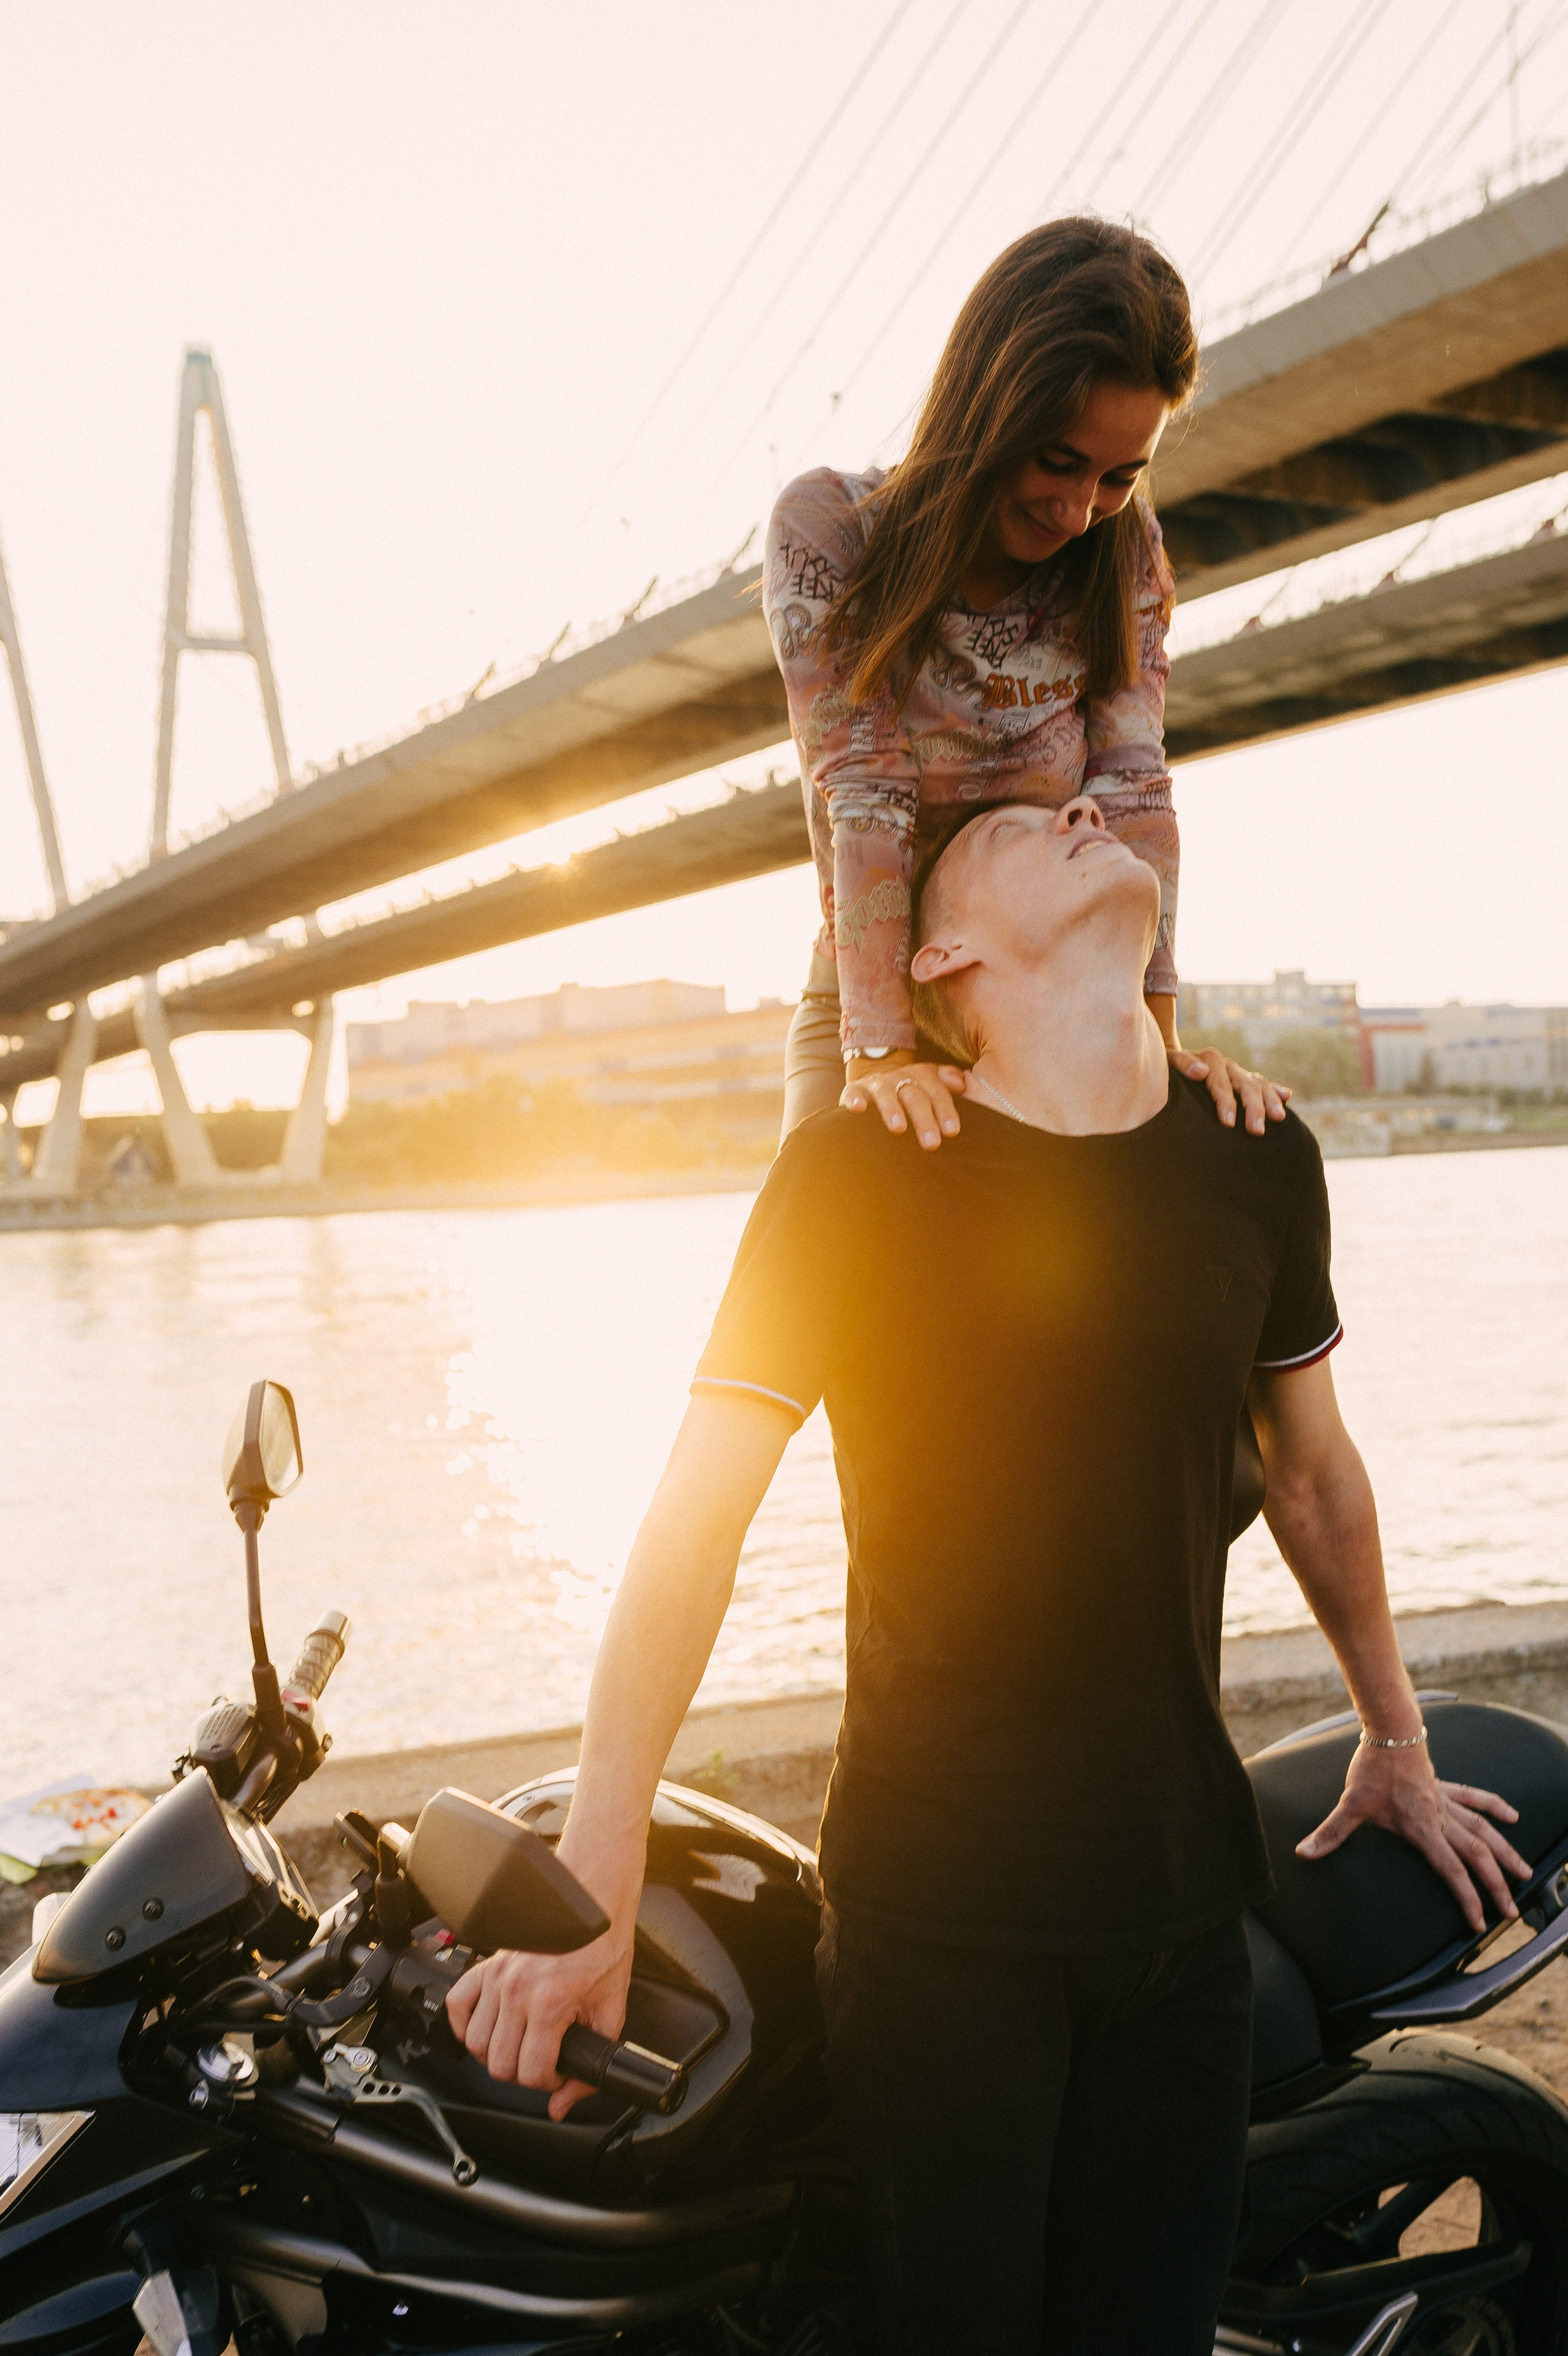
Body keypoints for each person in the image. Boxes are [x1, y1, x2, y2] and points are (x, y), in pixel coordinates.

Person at [449, 795, 1528, 2353]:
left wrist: (1397, 1736)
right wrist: (594, 1875)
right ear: (941, 947)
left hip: (1178, 1920)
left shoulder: (1256, 1151)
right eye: (1031, 823)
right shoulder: (855, 1173)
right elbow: (693, 1524)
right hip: (937, 1919)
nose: (1088, 805)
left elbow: (1309, 1474)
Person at [766, 213, 1289, 1153]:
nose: (1080, 510)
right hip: (877, 1001)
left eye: (1120, 476)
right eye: (1059, 461)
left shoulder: (1124, 557)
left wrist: (1158, 1044)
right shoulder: (830, 532)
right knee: (814, 1262)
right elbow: (865, 782)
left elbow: (1132, 785)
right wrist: (882, 1062)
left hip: (1073, 1020)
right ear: (989, 410)